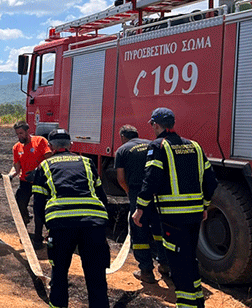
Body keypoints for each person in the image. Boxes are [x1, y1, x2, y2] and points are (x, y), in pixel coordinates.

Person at [132, 108, 217, 308]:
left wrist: (140, 207)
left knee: (178, 262)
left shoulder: (159, 146)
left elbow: (151, 178)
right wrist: (204, 205)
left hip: (173, 216)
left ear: (156, 125)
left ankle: (186, 304)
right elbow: (211, 180)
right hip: (195, 215)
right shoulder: (195, 146)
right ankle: (197, 300)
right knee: (189, 256)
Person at [32, 129, 110, 308]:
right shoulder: (87, 162)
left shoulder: (44, 166)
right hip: (93, 223)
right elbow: (102, 197)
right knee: (96, 276)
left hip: (61, 225)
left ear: (50, 147)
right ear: (71, 145)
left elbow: (38, 204)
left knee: (59, 274)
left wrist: (48, 226)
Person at [115, 124, 169, 283]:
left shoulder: (122, 150)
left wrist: (128, 192)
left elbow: (120, 178)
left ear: (123, 137)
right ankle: (165, 265)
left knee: (139, 230)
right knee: (159, 229)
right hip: (157, 193)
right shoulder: (153, 144)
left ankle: (146, 271)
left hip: (137, 193)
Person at [7, 120, 52, 248]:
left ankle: (38, 238)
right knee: (19, 204)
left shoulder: (40, 141)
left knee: (39, 209)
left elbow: (49, 159)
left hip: (40, 182)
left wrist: (37, 171)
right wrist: (9, 176)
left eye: (21, 133)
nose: (19, 136)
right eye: (17, 134)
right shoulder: (16, 147)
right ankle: (24, 225)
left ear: (28, 131)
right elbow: (16, 168)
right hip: (25, 181)